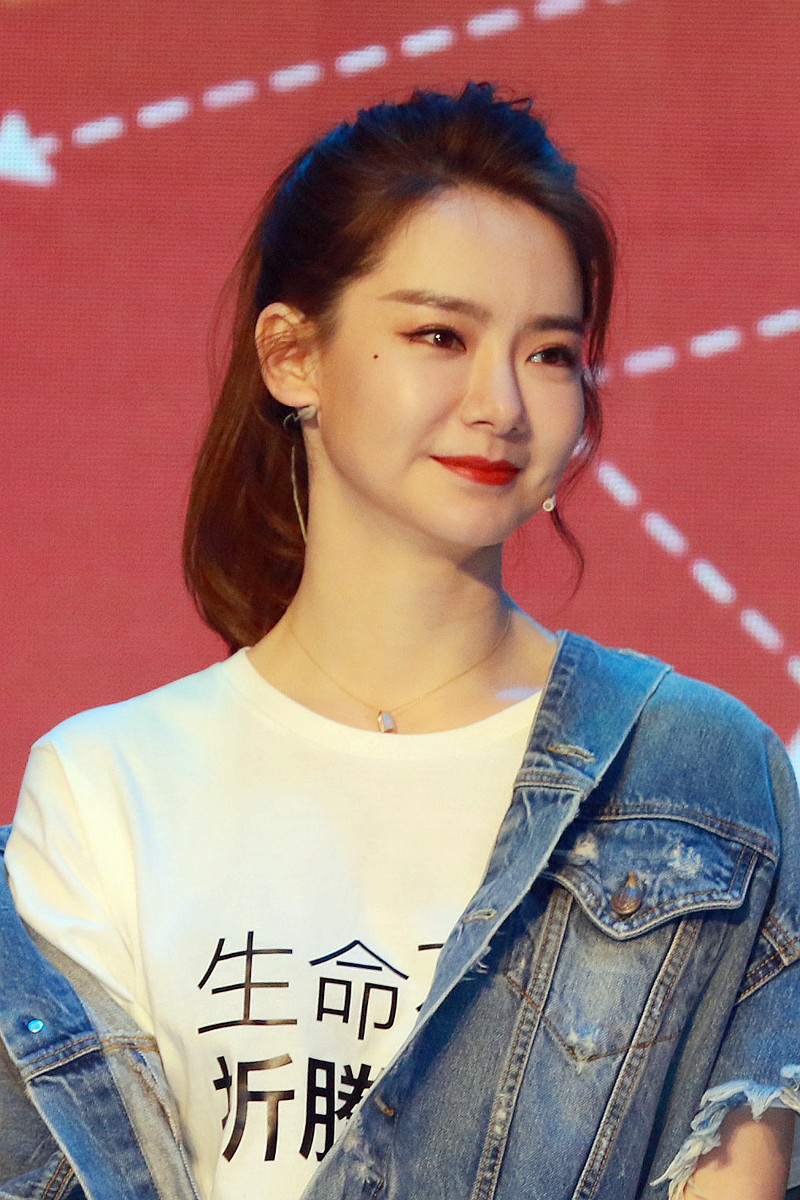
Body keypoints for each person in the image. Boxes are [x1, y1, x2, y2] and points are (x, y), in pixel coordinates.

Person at [1, 82, 798, 1200]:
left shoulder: (693, 771)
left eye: (549, 353)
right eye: (439, 336)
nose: (500, 404)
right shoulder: (107, 787)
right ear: (292, 356)